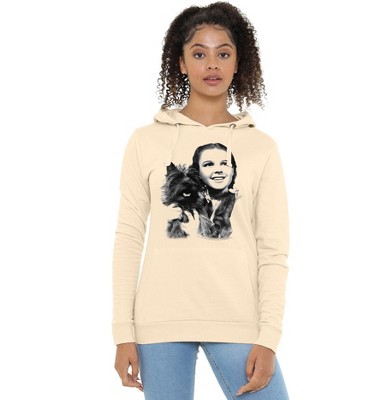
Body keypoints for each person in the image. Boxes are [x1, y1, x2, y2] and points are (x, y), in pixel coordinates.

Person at [112, 2, 290, 399]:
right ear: (181, 63)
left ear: (238, 63)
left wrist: (269, 336)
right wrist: (123, 331)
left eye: (223, 54)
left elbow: (273, 249)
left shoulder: (261, 147)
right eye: (198, 53)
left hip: (238, 319)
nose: (212, 64)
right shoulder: (146, 140)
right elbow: (128, 238)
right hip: (159, 322)